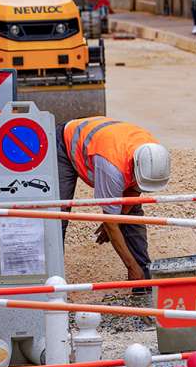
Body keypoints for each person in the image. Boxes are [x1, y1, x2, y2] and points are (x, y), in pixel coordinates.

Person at [57, 117, 172, 284]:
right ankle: (52, 280)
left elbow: (134, 191)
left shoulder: (154, 155)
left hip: (107, 142)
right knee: (57, 215)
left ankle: (143, 278)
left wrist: (117, 219)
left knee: (132, 215)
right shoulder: (112, 168)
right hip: (66, 142)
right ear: (135, 166)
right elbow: (110, 221)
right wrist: (130, 265)